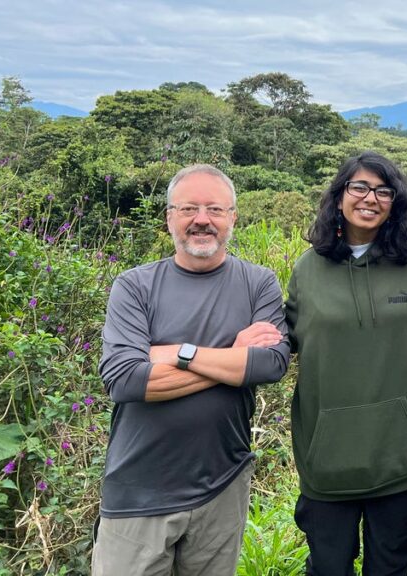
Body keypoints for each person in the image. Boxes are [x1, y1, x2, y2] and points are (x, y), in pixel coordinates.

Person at [94, 164, 290, 576]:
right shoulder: (134, 286)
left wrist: (171, 353)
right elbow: (126, 379)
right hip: (137, 491)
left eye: (215, 209)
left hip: (222, 485)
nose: (202, 219)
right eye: (189, 209)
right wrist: (233, 355)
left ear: (233, 218)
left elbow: (270, 363)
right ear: (169, 217)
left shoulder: (259, 283)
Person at [285, 151, 407, 576]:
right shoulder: (307, 269)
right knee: (328, 568)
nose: (370, 198)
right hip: (326, 461)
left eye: (383, 190)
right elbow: (282, 341)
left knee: (391, 567)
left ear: (396, 202)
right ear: (339, 196)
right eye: (359, 187)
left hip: (399, 456)